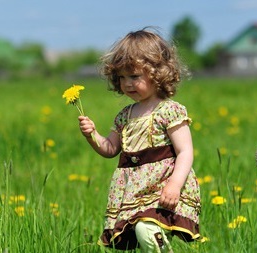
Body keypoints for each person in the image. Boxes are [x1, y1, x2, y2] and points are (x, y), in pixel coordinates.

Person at [78, 27, 201, 252]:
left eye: (134, 76)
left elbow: (185, 151)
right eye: (122, 78)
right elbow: (111, 149)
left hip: (163, 187)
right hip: (134, 191)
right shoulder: (124, 115)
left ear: (158, 73)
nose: (127, 84)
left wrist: (175, 185)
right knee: (142, 234)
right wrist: (92, 135)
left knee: (146, 229)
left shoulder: (169, 110)